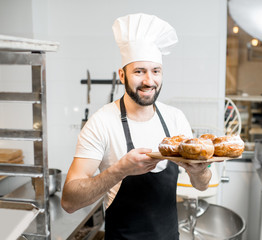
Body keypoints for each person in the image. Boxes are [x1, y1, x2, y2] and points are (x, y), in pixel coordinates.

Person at [61, 13, 211, 240]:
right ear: (122, 75)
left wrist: (199, 171)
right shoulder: (102, 122)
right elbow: (69, 202)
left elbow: (201, 185)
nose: (149, 81)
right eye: (139, 71)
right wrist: (120, 170)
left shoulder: (175, 119)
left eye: (155, 71)